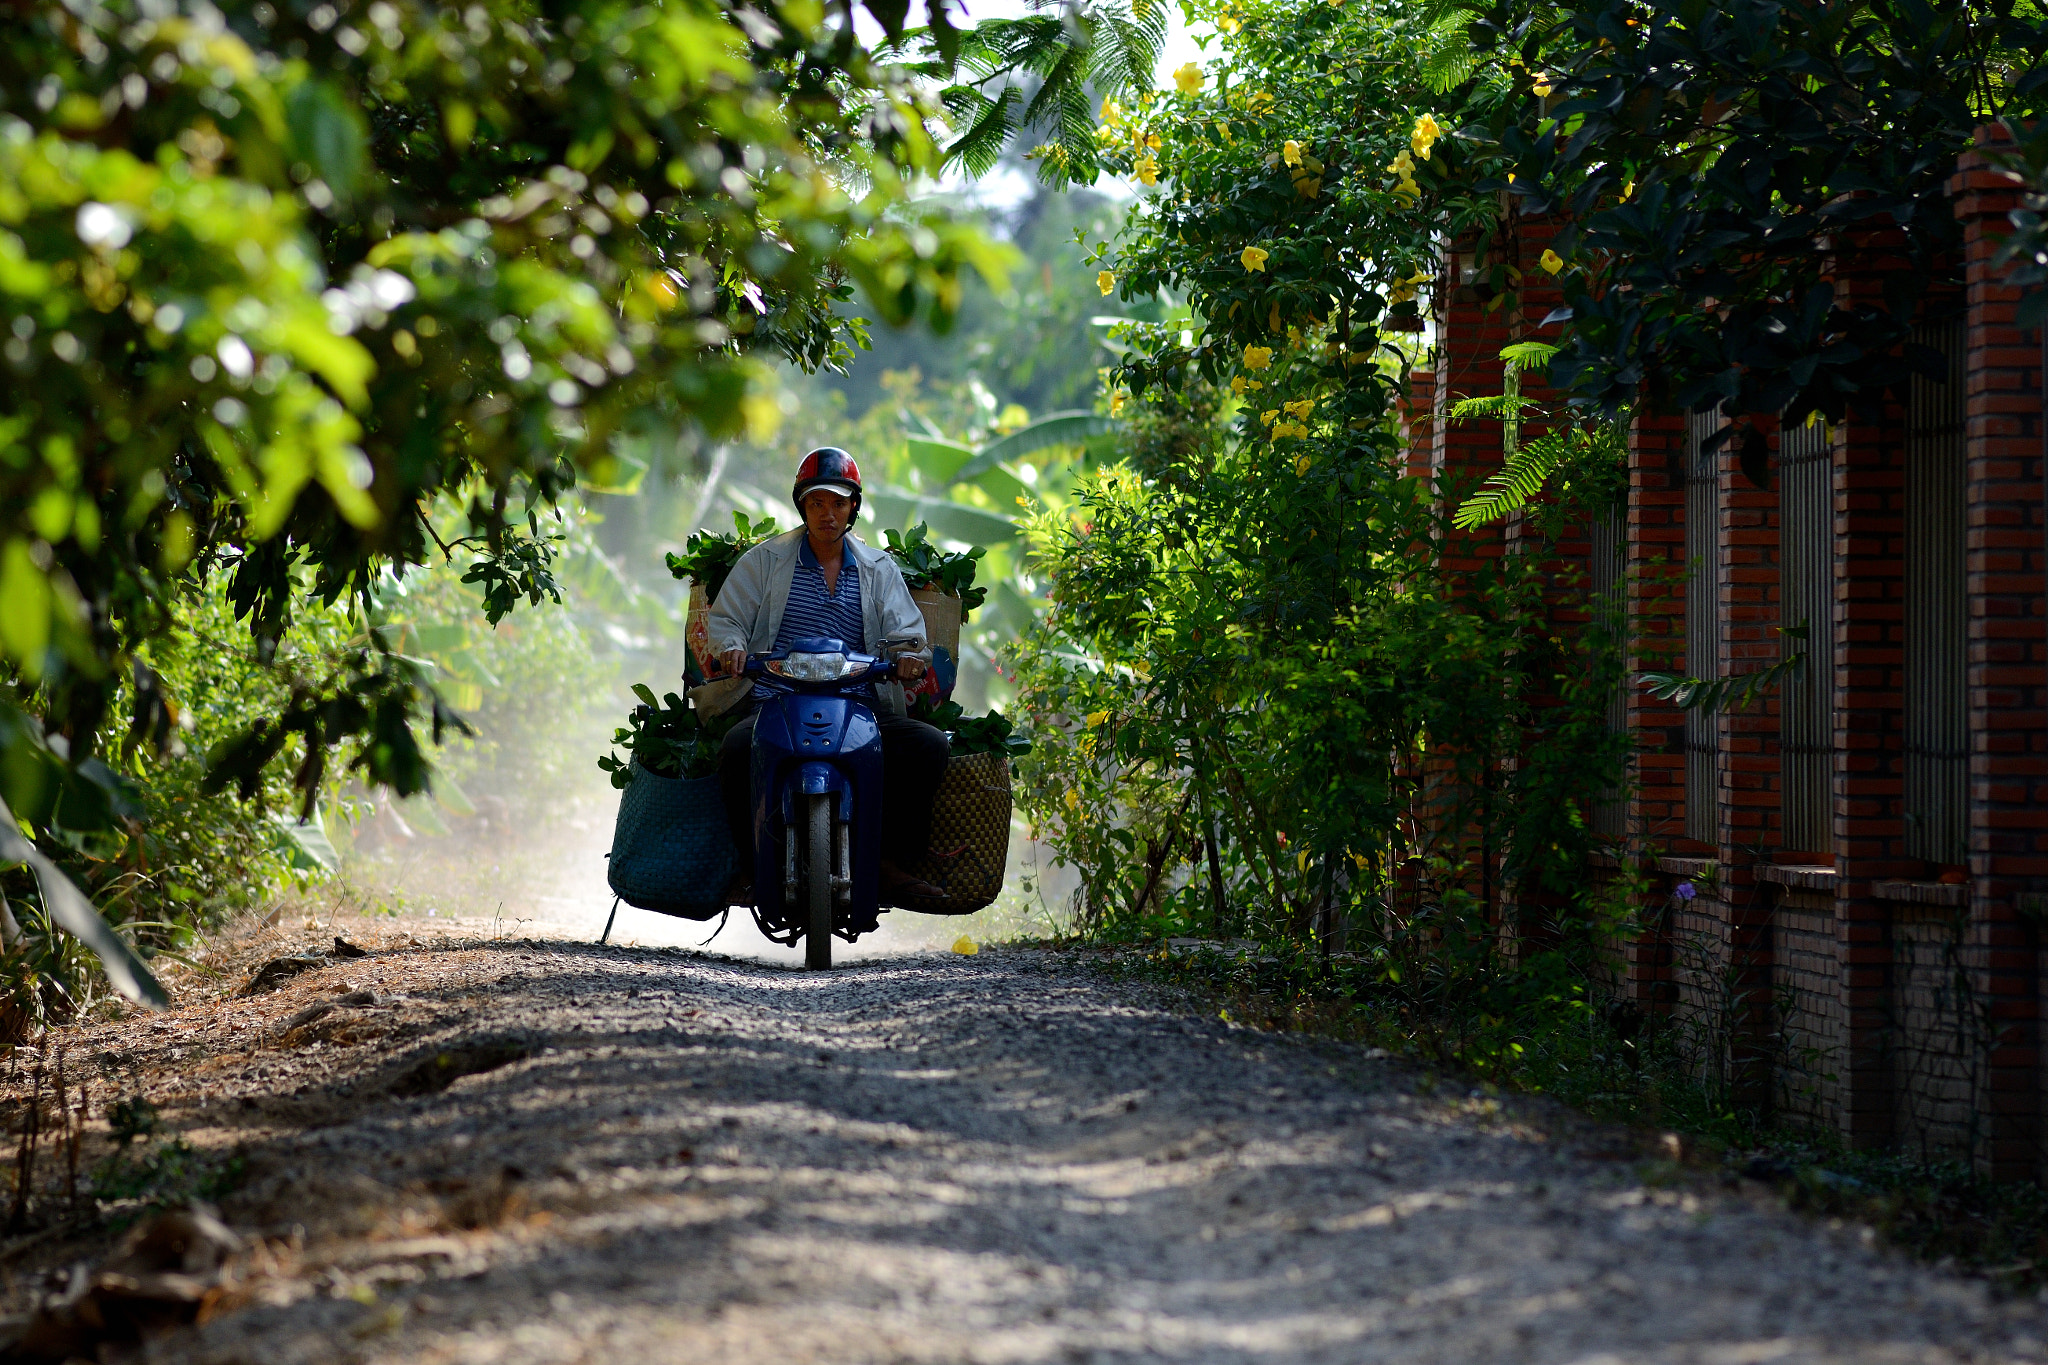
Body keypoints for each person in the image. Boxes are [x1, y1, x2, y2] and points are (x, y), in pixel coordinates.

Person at [704, 447, 951, 901]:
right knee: (737, 749)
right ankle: (749, 864)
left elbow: (908, 632)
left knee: (928, 747)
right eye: (816, 503)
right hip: (776, 705)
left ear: (853, 507)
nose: (827, 514)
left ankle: (888, 863)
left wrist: (909, 657)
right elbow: (726, 621)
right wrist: (732, 649)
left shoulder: (878, 568)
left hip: (859, 711)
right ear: (802, 506)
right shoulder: (764, 562)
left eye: (838, 503)